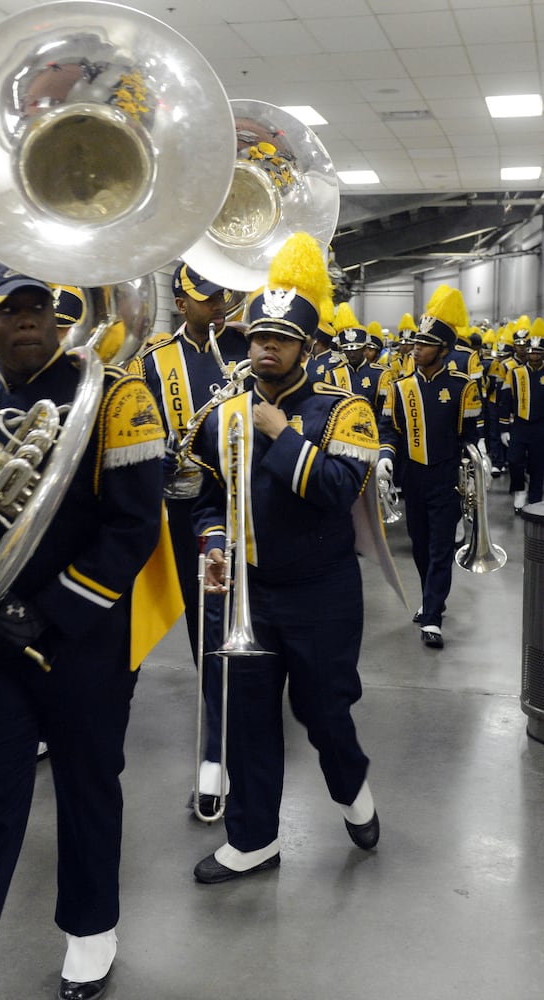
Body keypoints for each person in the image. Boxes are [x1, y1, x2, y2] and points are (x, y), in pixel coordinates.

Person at [0, 259, 176, 1000]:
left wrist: (51, 612)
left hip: (84, 642)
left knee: (89, 789)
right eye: (9, 309)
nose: (26, 320)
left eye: (38, 308)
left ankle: (90, 930)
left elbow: (132, 530)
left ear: (59, 316)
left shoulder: (116, 397)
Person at [186, 233, 382, 885]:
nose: (264, 347)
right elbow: (207, 494)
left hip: (321, 594)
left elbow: (335, 492)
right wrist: (212, 537)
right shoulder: (225, 413)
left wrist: (278, 435)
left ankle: (350, 785)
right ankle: (253, 839)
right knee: (246, 719)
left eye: (280, 337)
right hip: (250, 594)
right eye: (256, 336)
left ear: (309, 346)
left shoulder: (344, 412)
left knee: (322, 713)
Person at [128, 260, 249, 817]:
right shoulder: (153, 362)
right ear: (181, 303)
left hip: (230, 513)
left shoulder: (239, 353)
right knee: (132, 629)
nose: (217, 304)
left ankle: (217, 751)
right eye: (205, 298)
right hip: (170, 513)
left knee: (215, 632)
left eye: (220, 296)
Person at [377, 286, 482, 649]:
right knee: (421, 546)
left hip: (446, 478)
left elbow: (470, 435)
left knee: (440, 547)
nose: (416, 348)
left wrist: (476, 473)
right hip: (413, 479)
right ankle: (430, 596)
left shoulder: (462, 387)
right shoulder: (399, 386)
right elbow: (391, 429)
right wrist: (386, 456)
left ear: (443, 350)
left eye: (425, 343)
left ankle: (433, 616)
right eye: (416, 342)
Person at [498, 326, 544, 511]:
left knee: (538, 463)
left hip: (541, 425)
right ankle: (519, 490)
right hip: (519, 424)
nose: (533, 356)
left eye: (538, 352)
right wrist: (503, 428)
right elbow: (506, 400)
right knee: (515, 460)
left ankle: (534, 499)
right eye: (531, 352)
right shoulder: (515, 373)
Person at [334, 302, 392, 418]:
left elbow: (384, 414)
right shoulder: (334, 374)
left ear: (364, 348)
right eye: (347, 350)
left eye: (356, 349)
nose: (352, 353)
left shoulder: (380, 375)